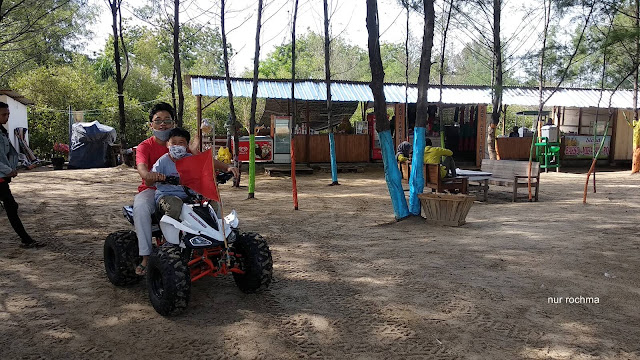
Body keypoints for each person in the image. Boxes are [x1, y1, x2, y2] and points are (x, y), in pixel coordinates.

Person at [134, 123, 237, 276]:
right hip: (167, 197)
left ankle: (218, 240)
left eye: (181, 143)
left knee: (212, 204)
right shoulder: (162, 161)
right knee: (175, 205)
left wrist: (226, 169)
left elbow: (207, 164)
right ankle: (171, 243)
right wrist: (154, 177)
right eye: (173, 143)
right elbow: (148, 180)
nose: (177, 146)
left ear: (186, 145)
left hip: (190, 196)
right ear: (168, 144)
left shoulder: (190, 158)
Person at [0, 102, 43, 248]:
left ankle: (26, 239)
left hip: (3, 176)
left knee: (11, 206)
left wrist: (23, 165)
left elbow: (9, 155)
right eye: (4, 114)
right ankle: (26, 239)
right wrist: (8, 170)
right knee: (11, 206)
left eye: (8, 114)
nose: (6, 117)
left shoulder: (2, 132)